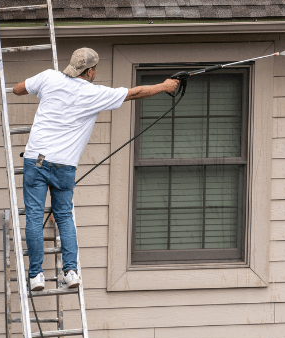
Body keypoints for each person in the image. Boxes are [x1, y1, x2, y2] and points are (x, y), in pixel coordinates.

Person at [12, 47, 179, 291]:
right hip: (64, 166)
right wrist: (165, 86)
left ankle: (36, 276)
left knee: (35, 218)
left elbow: (18, 89)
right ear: (90, 71)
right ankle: (70, 272)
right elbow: (135, 93)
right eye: (96, 68)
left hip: (36, 159)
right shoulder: (95, 94)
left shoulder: (49, 77)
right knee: (64, 217)